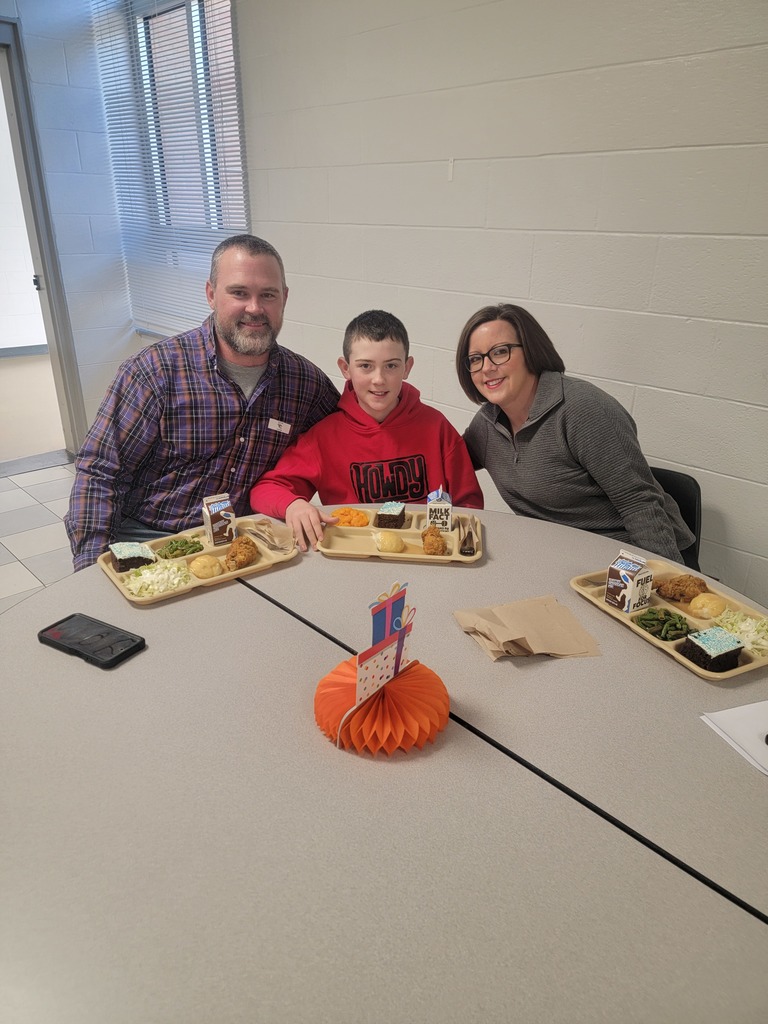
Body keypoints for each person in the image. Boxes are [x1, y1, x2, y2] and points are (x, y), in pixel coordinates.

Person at [65, 234, 340, 570]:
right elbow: (100, 473)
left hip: (242, 543)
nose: (255, 308)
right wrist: (91, 568)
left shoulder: (305, 384)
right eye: (239, 293)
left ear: (284, 298)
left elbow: (351, 434)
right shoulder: (155, 372)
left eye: (267, 295)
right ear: (211, 294)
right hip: (148, 540)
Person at [455, 303, 697, 566]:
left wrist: (670, 582)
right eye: (476, 359)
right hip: (561, 558)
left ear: (531, 351)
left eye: (500, 352)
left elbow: (638, 503)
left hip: (626, 555)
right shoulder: (488, 422)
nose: (487, 367)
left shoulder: (583, 409)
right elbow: (446, 459)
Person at [250, 310, 483, 550]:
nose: (379, 379)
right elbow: (264, 490)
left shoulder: (437, 428)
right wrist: (293, 505)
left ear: (407, 367)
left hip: (427, 557)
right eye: (365, 366)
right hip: (355, 556)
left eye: (391, 365)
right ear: (345, 368)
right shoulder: (323, 438)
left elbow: (470, 505)